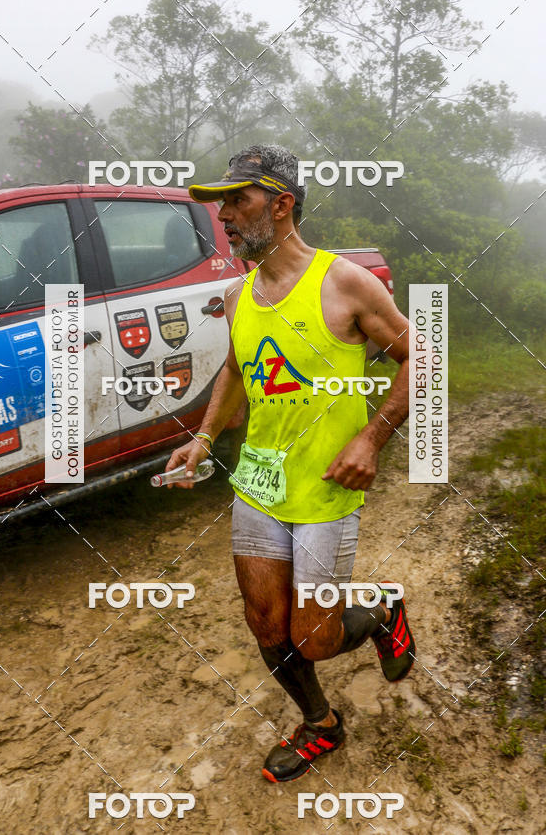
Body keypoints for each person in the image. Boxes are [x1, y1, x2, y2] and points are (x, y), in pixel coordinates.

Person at [165, 144, 415, 782]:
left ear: (281, 205)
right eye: (219, 203)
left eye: (237, 200)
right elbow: (237, 369)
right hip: (257, 484)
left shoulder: (345, 282)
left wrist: (370, 440)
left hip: (325, 490)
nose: (223, 216)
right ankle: (320, 725)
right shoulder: (239, 292)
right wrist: (203, 436)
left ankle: (382, 612)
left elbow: (425, 357)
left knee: (316, 637)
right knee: (264, 622)